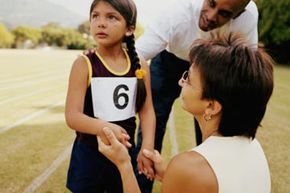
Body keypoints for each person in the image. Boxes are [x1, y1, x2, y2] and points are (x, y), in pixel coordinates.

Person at [97, 33, 274, 193]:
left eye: (188, 78)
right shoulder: (254, 148)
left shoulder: (189, 167)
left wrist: (124, 164)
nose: (181, 82)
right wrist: (169, 176)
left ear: (211, 106)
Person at [134, 0, 259, 191]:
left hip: (212, 68)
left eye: (224, 13)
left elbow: (246, 71)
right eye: (211, 3)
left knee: (216, 128)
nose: (210, 16)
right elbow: (136, 56)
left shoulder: (248, 16)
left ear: (238, 15)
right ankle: (141, 186)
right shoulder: (178, 13)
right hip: (168, 61)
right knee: (151, 128)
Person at [65, 0, 155, 192]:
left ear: (129, 29)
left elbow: (147, 111)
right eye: (95, 16)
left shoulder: (140, 65)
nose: (101, 23)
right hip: (89, 155)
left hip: (124, 154)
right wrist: (106, 128)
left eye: (111, 17)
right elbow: (73, 116)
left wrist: (146, 148)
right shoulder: (83, 64)